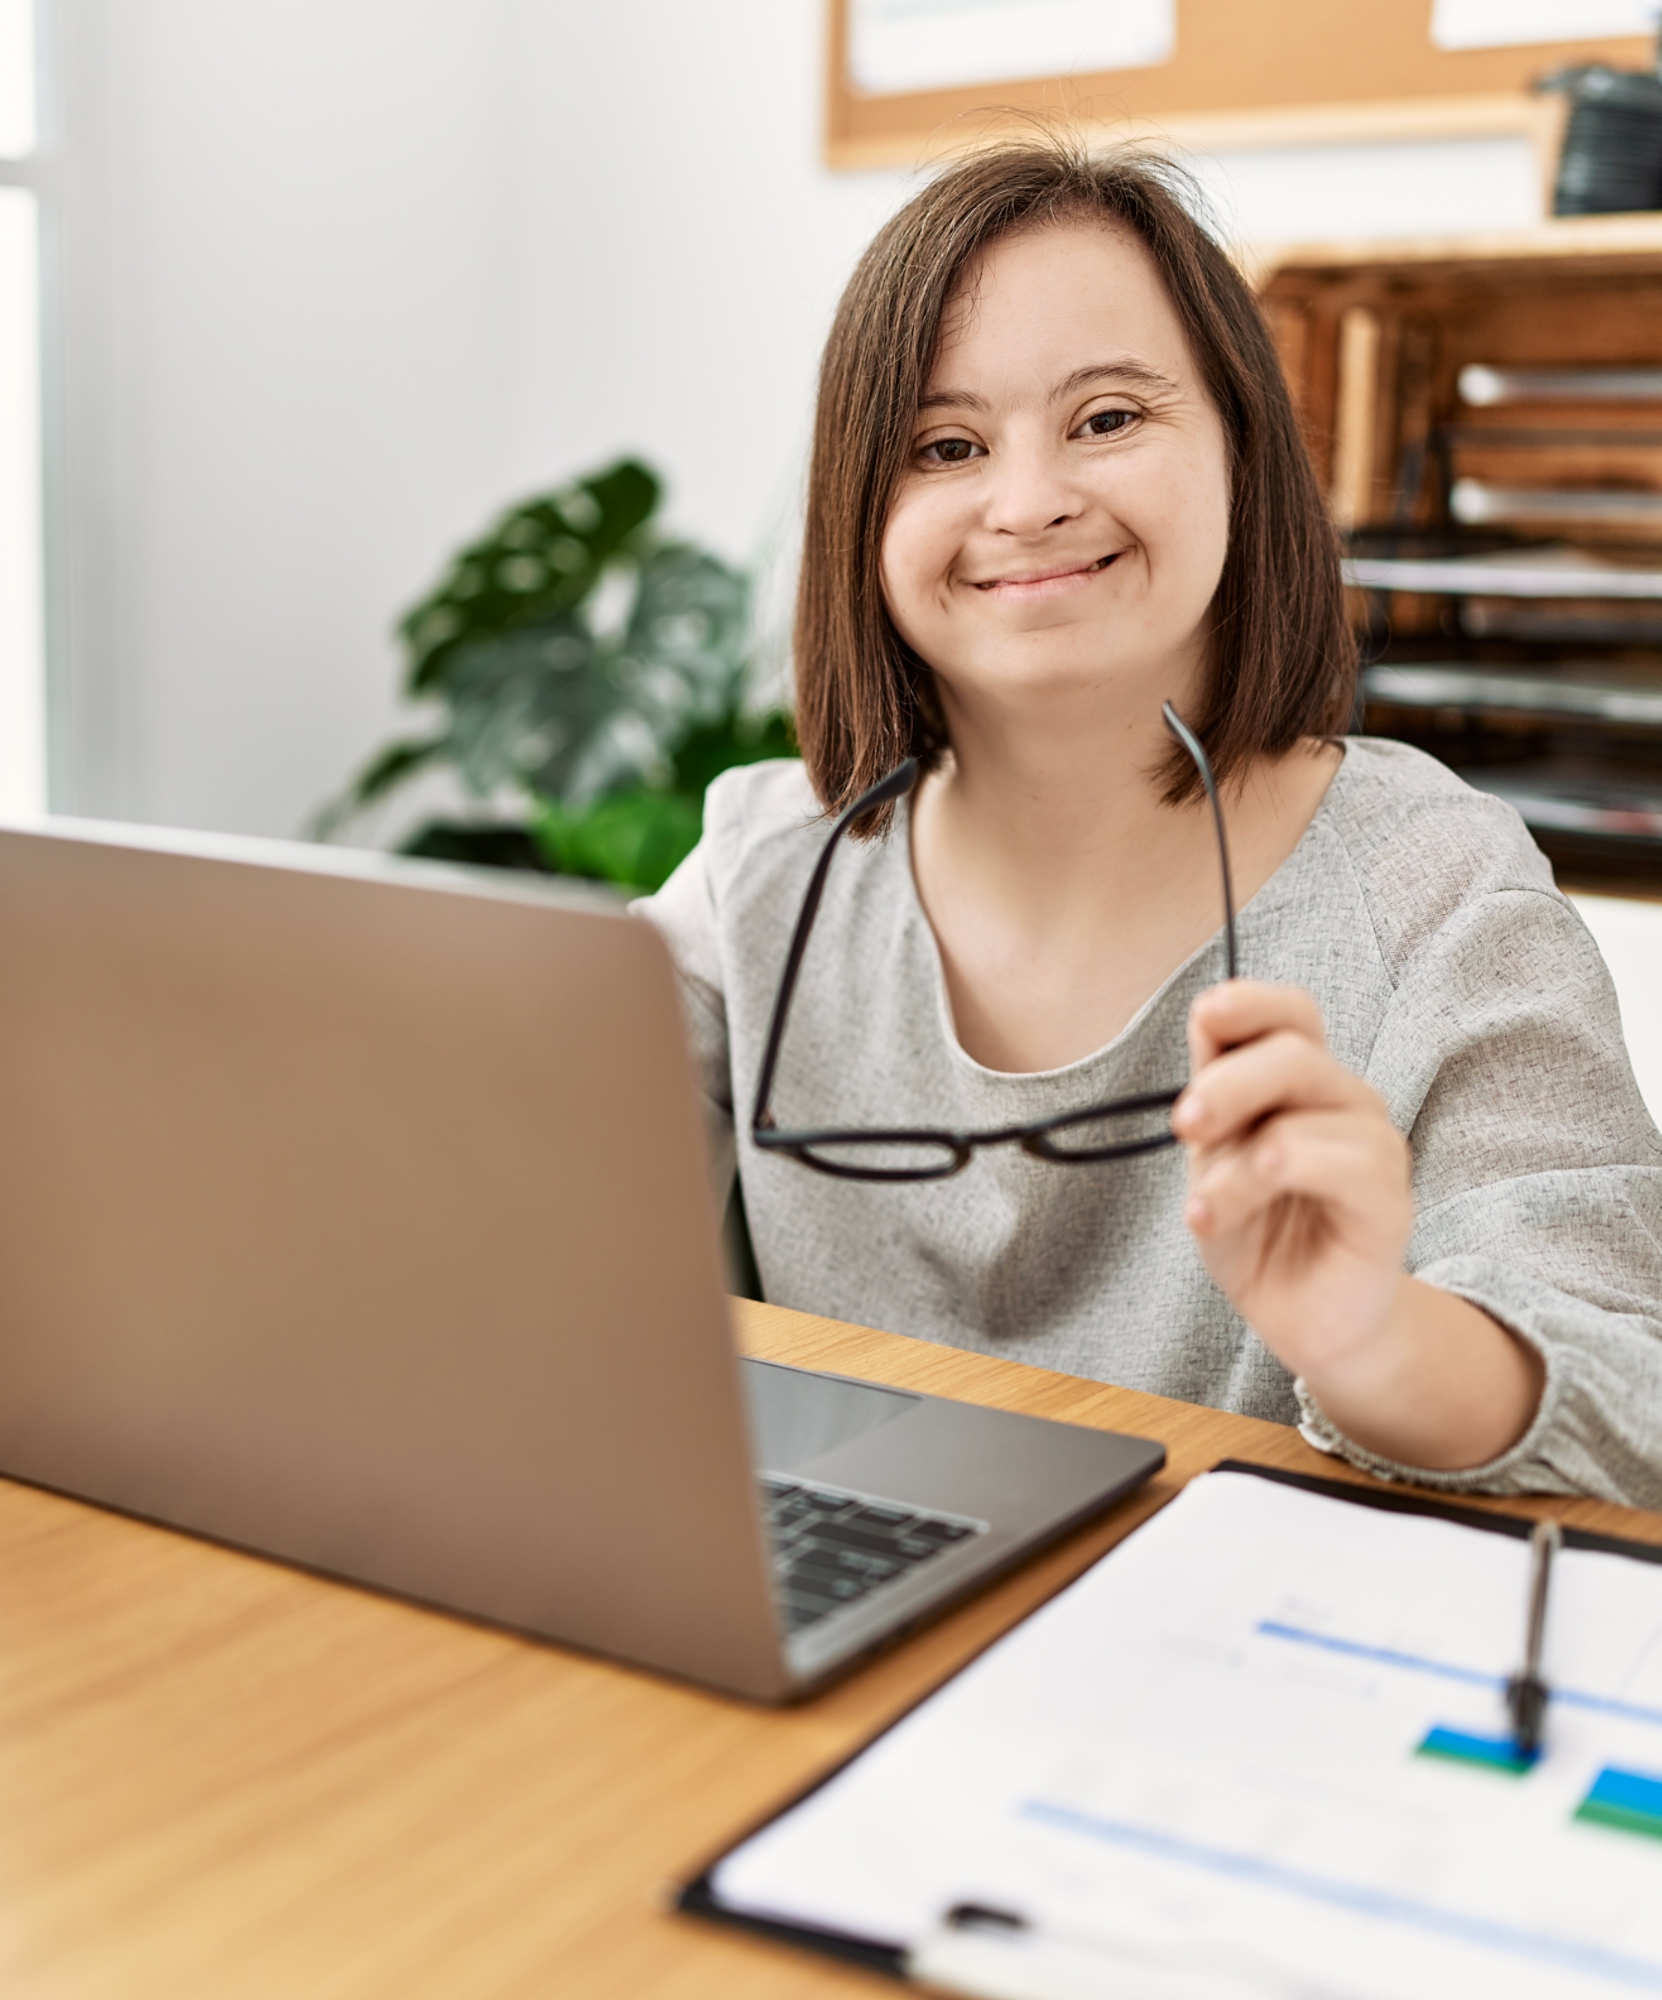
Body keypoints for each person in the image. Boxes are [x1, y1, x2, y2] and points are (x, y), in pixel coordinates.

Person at [636, 139, 1662, 1506]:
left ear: (1241, 445)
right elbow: (493, 1218)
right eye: (944, 447)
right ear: (859, 514)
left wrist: (1373, 1340)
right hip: (829, 1636)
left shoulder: (1433, 885)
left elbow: (1624, 1391)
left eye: (1108, 418)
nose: (1027, 500)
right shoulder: (759, 872)